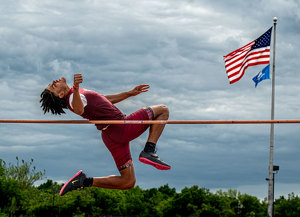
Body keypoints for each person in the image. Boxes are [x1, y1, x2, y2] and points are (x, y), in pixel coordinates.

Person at [40, 74, 170, 196]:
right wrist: (75, 88)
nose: (53, 82)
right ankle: (149, 150)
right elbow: (79, 109)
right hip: (120, 128)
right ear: (61, 94)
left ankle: (84, 181)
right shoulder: (73, 98)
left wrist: (129, 93)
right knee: (163, 110)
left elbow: (105, 100)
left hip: (111, 136)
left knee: (128, 181)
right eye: (53, 87)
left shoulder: (75, 96)